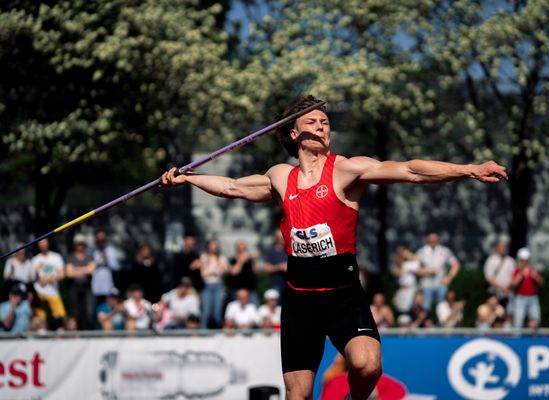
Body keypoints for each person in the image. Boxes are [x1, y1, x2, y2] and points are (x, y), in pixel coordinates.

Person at [161, 95, 507, 400]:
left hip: (343, 293)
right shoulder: (281, 176)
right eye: (312, 121)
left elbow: (410, 171)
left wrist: (469, 170)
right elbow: (233, 186)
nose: (322, 126)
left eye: (325, 122)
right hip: (300, 296)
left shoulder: (346, 169)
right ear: (294, 133)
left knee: (367, 365)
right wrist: (187, 178)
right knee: (298, 394)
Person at [416, 232, 460, 312]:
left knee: (442, 308)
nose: (433, 241)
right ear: (427, 240)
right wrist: (427, 272)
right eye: (431, 239)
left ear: (438, 239)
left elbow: (455, 264)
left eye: (434, 239)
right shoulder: (421, 252)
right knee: (426, 309)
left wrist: (449, 277)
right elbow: (415, 269)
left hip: (441, 284)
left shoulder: (444, 251)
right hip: (426, 285)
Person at [191, 239, 228, 329]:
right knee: (206, 311)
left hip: (218, 285)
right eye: (212, 245)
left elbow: (224, 271)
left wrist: (212, 271)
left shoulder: (221, 258)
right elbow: (202, 273)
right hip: (207, 285)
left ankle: (219, 330)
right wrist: (215, 271)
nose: (214, 247)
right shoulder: (204, 257)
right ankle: (203, 330)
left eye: (216, 245)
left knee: (217, 311)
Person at [31, 239, 66, 329]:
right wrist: (40, 278)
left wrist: (48, 279)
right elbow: (32, 277)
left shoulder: (56, 257)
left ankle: (60, 336)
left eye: (45, 243)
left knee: (61, 317)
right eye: (41, 244)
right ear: (38, 245)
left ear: (48, 244)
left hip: (53, 291)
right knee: (41, 318)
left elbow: (61, 274)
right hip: (39, 291)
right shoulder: (35, 260)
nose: (43, 245)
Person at [65, 234, 96, 330]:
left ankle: (88, 332)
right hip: (74, 287)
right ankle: (76, 334)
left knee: (89, 311)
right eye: (78, 244)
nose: (80, 246)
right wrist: (85, 270)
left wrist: (76, 270)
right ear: (75, 245)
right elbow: (69, 274)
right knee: (75, 312)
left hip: (87, 288)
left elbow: (92, 270)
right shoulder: (70, 257)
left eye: (82, 244)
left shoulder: (89, 257)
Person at [511, 248, 544, 329]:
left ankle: (535, 340)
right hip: (520, 298)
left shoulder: (533, 270)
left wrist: (535, 276)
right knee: (518, 322)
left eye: (526, 260)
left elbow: (542, 282)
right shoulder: (517, 271)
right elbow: (514, 284)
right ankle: (517, 339)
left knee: (536, 321)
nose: (524, 262)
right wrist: (521, 274)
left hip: (533, 298)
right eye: (522, 260)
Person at [483, 240, 516, 309]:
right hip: (495, 294)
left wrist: (507, 287)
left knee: (509, 313)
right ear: (497, 248)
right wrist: (502, 287)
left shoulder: (510, 261)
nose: (503, 248)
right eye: (501, 246)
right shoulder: (491, 260)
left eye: (504, 247)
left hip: (508, 293)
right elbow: (489, 278)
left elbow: (514, 276)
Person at [91, 229, 120, 307]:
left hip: (108, 287)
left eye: (103, 239)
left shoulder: (111, 251)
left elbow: (116, 267)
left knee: (107, 310)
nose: (101, 241)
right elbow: (90, 268)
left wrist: (107, 259)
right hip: (95, 288)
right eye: (99, 239)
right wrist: (100, 260)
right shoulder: (92, 251)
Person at [226, 239, 258, 305]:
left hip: (250, 290)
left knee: (253, 308)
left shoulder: (250, 260)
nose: (242, 247)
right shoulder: (233, 260)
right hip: (236, 290)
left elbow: (256, 272)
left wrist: (254, 261)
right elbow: (233, 272)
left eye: (244, 245)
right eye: (240, 245)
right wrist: (241, 261)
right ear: (236, 248)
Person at [391, 246, 421, 314]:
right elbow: (397, 273)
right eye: (403, 254)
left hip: (411, 289)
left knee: (411, 309)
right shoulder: (399, 265)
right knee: (402, 310)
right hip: (402, 289)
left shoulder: (410, 264)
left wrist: (410, 256)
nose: (406, 255)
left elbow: (419, 262)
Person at [263, 231, 288, 299]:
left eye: (283, 236)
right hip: (276, 284)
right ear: (276, 238)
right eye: (279, 237)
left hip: (290, 284)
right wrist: (280, 267)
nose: (281, 239)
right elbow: (267, 268)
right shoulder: (271, 251)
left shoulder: (290, 250)